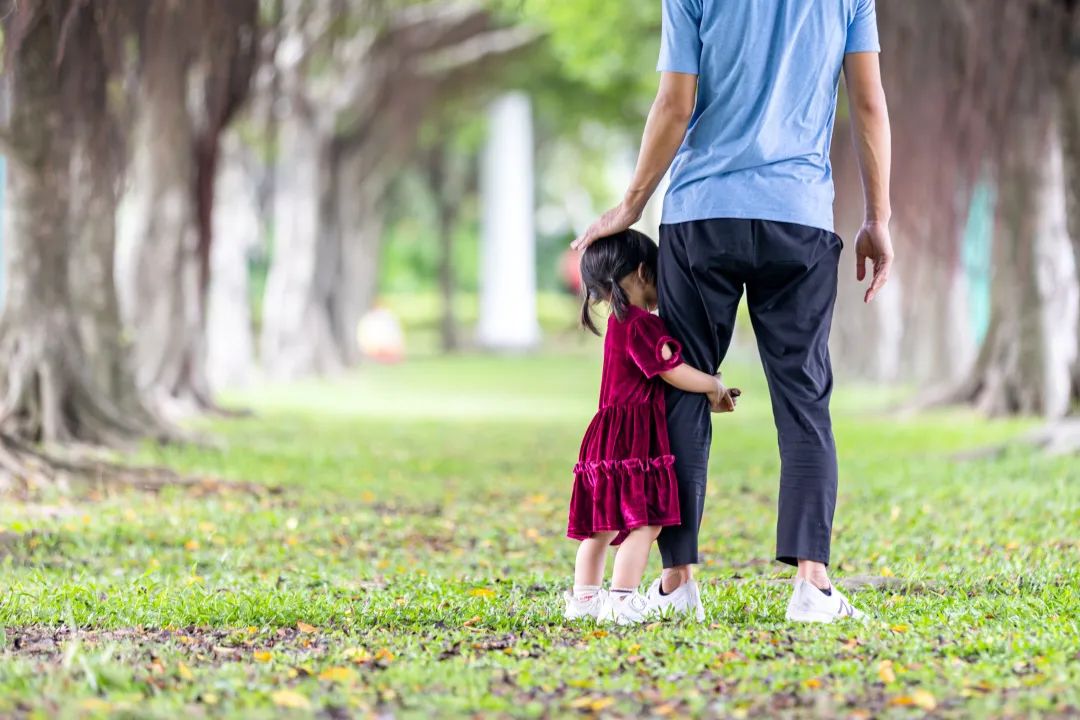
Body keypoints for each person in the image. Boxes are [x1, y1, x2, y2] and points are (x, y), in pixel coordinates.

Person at [572, 0, 894, 623]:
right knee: (803, 396)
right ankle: (813, 585)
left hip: (703, 215)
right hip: (797, 217)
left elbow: (674, 104)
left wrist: (631, 204)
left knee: (683, 387)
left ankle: (676, 582)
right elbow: (870, 105)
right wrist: (877, 219)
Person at [564, 230, 740, 625]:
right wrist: (713, 384)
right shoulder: (643, 325)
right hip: (632, 439)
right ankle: (623, 600)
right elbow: (670, 371)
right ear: (644, 272)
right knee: (646, 521)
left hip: (603, 438)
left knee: (601, 528)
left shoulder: (617, 322)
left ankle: (584, 601)